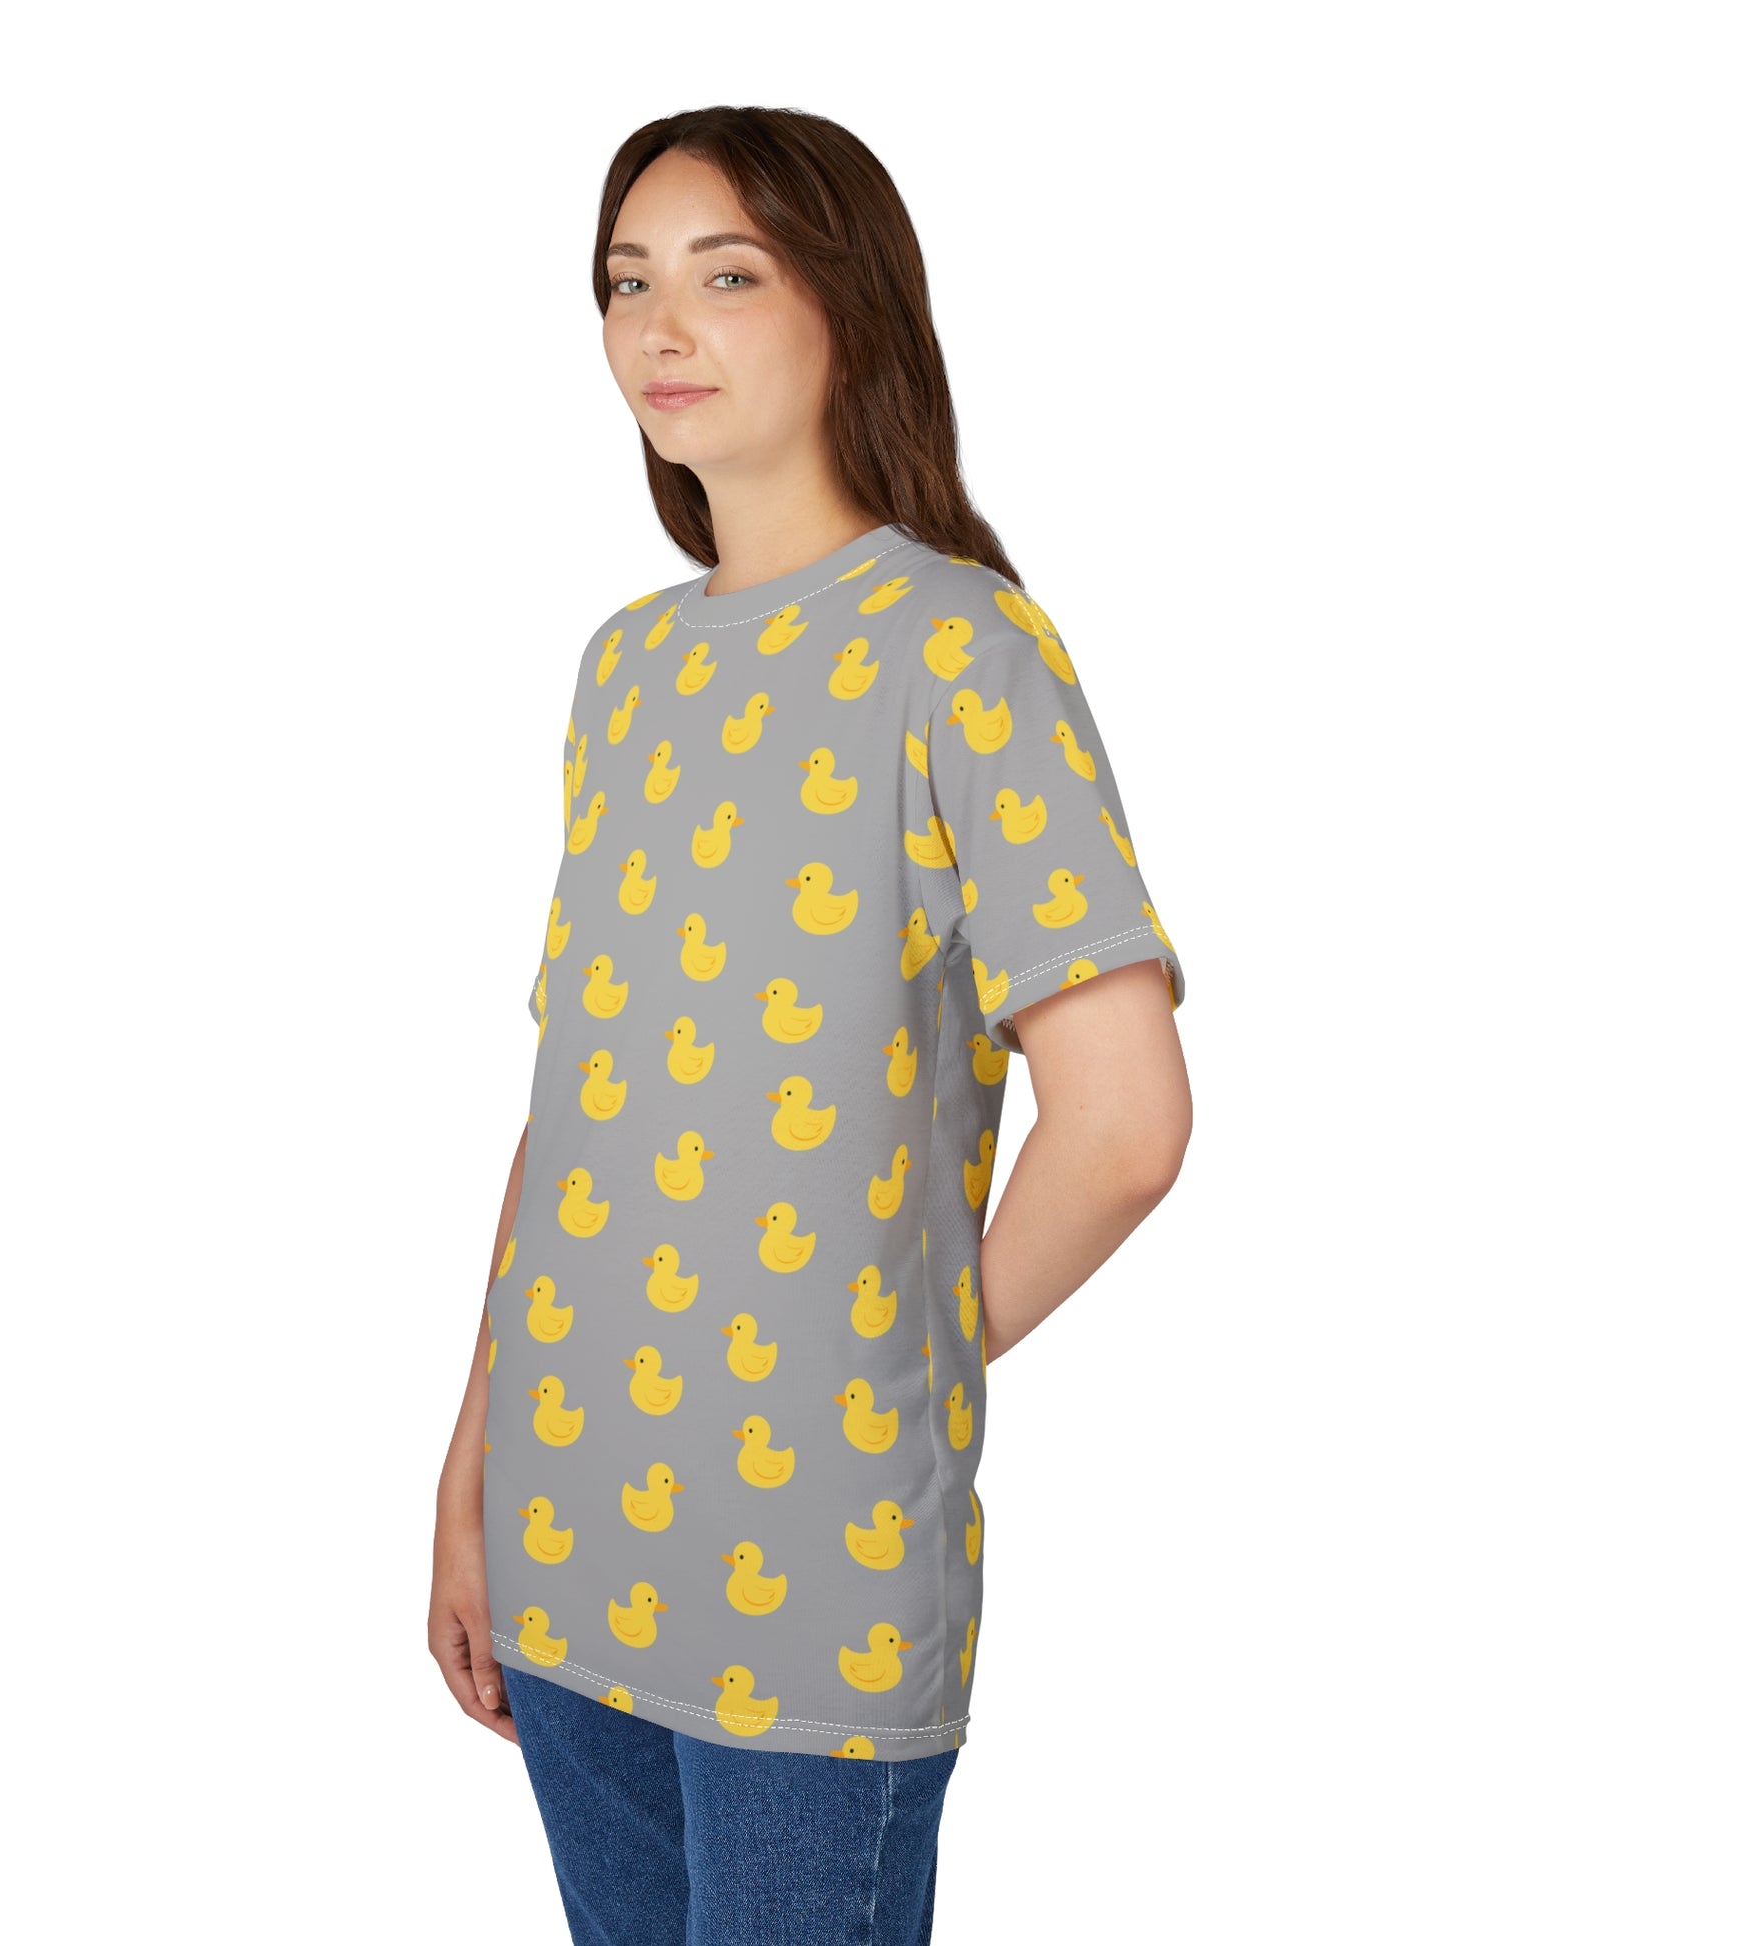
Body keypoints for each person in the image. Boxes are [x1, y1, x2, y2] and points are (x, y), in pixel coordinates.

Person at [429, 105, 1193, 1945]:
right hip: (565, 1536)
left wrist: (896, 1361)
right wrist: (470, 1463)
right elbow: (574, 1104)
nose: (657, 328)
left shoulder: (964, 650)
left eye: (726, 275)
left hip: (806, 1577)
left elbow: (1124, 1124)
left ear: (850, 306)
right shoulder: (625, 669)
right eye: (625, 282)